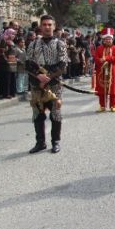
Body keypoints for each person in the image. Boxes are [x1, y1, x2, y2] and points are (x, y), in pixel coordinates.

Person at [26, 15, 67, 154]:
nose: (47, 27)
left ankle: (55, 142)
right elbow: (28, 64)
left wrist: (48, 76)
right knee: (38, 114)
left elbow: (63, 65)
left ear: (54, 26)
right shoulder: (33, 44)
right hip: (37, 85)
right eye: (44, 24)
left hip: (54, 84)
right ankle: (40, 143)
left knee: (55, 113)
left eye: (50, 24)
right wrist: (38, 76)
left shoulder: (60, 43)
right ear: (40, 26)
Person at [94, 28, 115, 112]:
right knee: (102, 89)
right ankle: (102, 106)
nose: (108, 40)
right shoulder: (99, 48)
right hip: (101, 72)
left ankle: (113, 105)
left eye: (109, 39)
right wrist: (100, 61)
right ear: (103, 40)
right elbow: (96, 58)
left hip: (113, 71)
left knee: (113, 89)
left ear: (112, 39)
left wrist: (106, 58)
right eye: (106, 39)